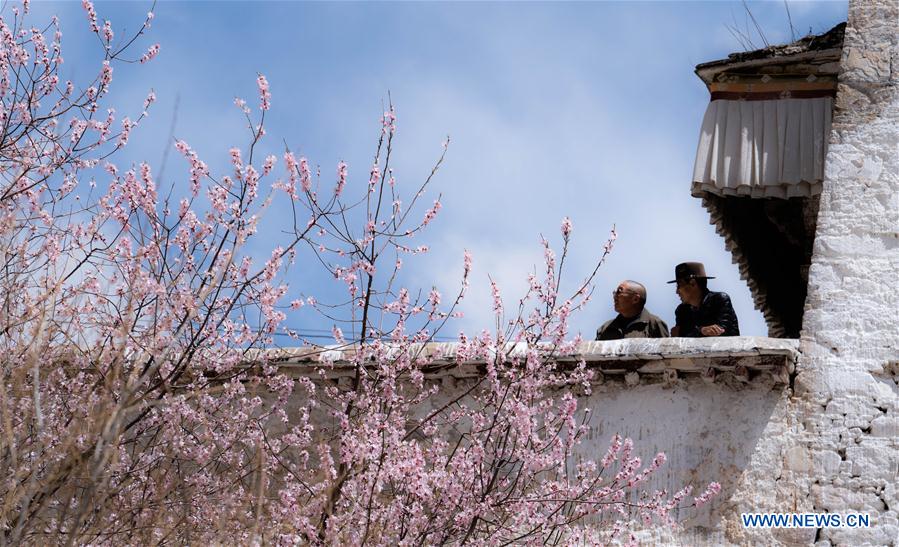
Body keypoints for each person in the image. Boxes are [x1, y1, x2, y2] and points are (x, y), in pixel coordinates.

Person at [668, 262, 740, 337]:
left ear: (693, 283)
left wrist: (699, 331)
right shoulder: (681, 310)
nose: (677, 292)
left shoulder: (719, 300)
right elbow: (679, 335)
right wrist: (702, 330)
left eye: (679, 286)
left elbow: (722, 331)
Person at [596, 280, 670, 340]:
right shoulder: (605, 328)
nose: (615, 297)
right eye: (615, 293)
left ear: (635, 299)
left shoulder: (655, 325)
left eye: (619, 291)